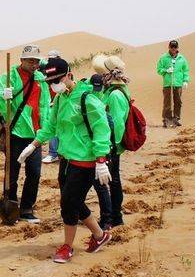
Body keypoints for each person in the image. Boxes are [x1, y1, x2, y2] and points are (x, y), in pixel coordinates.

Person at [17, 60, 113, 263]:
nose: (54, 85)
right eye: (51, 82)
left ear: (69, 75)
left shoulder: (87, 98)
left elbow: (101, 129)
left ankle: (67, 247)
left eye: (57, 80)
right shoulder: (60, 99)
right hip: (66, 159)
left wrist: (101, 160)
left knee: (68, 204)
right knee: (73, 201)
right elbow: (51, 126)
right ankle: (99, 235)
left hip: (85, 161)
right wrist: (33, 145)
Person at [0, 44, 51, 224]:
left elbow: (45, 104)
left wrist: (45, 129)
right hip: (16, 132)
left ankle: (26, 208)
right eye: (30, 61)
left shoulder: (40, 79)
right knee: (12, 172)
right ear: (22, 60)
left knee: (34, 173)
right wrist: (4, 95)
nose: (34, 64)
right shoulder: (9, 77)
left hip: (35, 133)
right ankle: (11, 205)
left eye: (36, 61)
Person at [92, 54, 131, 229]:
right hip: (111, 145)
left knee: (111, 181)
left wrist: (109, 147)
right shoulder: (113, 91)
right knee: (113, 180)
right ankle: (114, 215)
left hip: (112, 146)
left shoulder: (115, 95)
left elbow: (116, 124)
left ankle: (113, 216)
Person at [156, 40, 190, 127]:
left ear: (177, 48)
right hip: (168, 83)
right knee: (167, 102)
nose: (173, 49)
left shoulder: (182, 59)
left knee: (178, 102)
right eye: (172, 47)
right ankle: (166, 120)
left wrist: (185, 80)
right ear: (169, 47)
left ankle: (176, 119)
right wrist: (166, 70)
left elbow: (186, 70)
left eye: (175, 47)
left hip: (178, 84)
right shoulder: (163, 58)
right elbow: (159, 70)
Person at [42, 49, 62, 164]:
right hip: (50, 103)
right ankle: (55, 152)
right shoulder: (50, 69)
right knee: (53, 127)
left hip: (58, 102)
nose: (50, 61)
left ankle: (54, 153)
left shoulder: (59, 69)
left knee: (57, 128)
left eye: (52, 59)